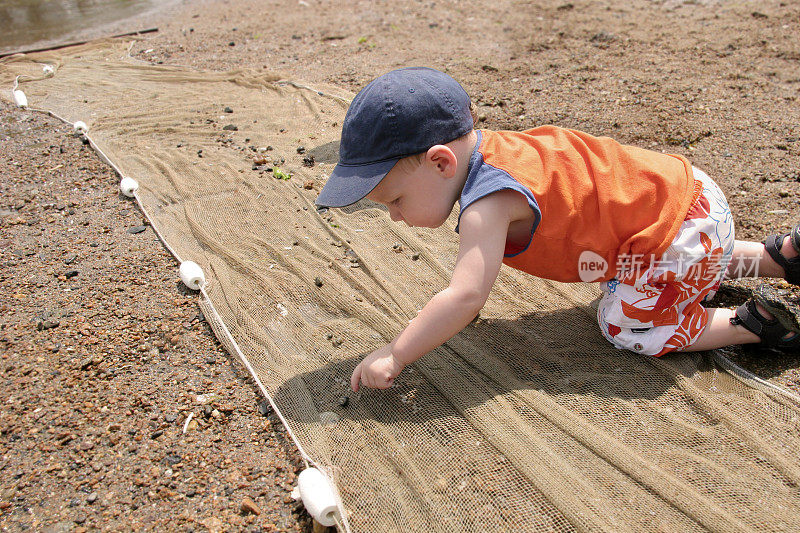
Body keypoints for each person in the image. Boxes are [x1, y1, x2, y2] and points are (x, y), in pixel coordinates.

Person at [314, 67, 800, 392]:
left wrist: (395, 354)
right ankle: (778, 257)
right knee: (649, 256)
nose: (395, 217)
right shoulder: (502, 148)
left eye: (395, 201)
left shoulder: (487, 204)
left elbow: (465, 296)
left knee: (624, 323)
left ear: (442, 162)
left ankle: (749, 325)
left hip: (682, 236)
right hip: (695, 199)